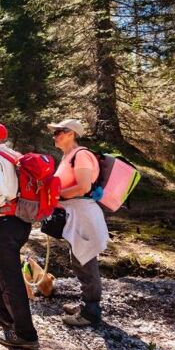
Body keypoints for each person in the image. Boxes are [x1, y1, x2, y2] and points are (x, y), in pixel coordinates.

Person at [0, 119, 39, 350]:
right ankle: (5, 314)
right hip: (20, 220)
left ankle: (26, 335)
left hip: (3, 221)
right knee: (0, 270)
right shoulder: (14, 156)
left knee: (10, 276)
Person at [49, 118, 110, 328]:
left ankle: (91, 312)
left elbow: (83, 187)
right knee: (79, 259)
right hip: (76, 214)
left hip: (84, 214)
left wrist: (56, 198)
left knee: (85, 260)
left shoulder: (81, 155)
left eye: (58, 131)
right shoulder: (68, 157)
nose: (54, 135)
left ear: (71, 134)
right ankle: (86, 305)